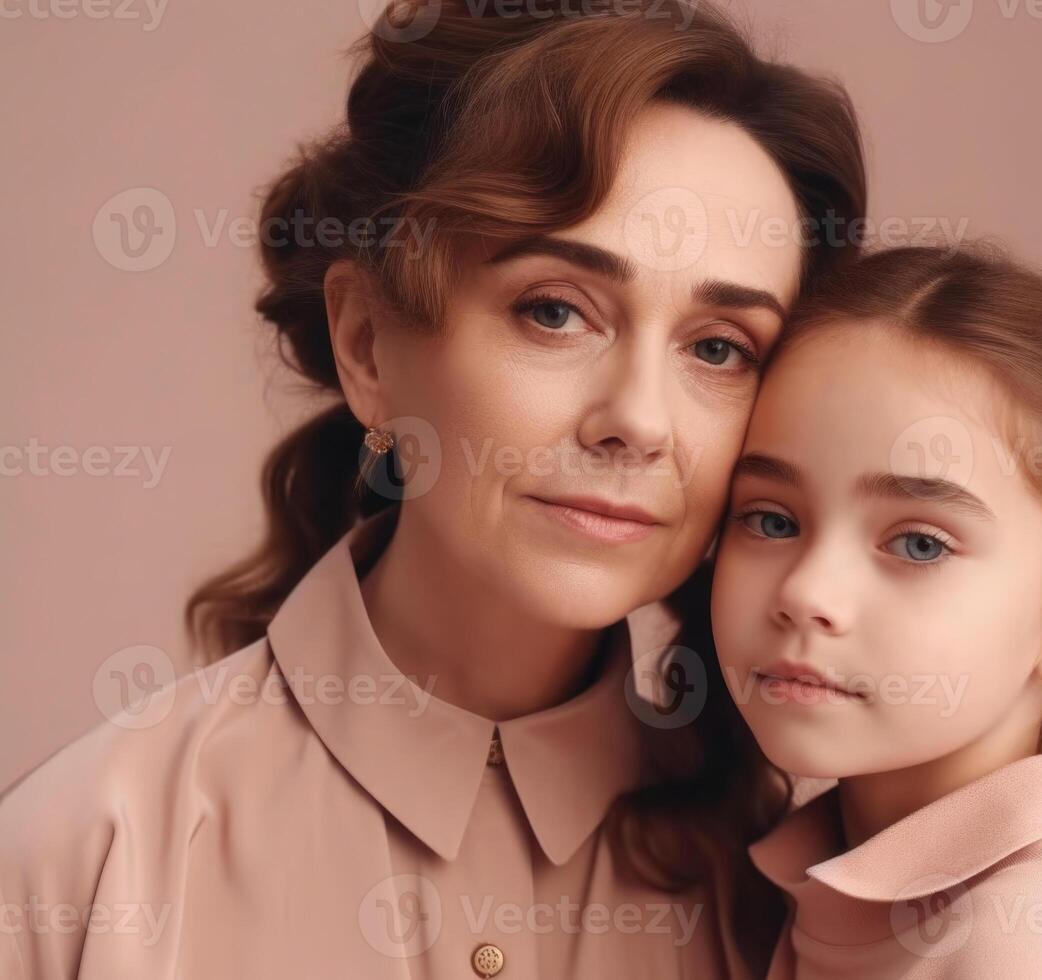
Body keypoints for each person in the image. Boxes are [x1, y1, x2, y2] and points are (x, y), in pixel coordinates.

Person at [0, 3, 866, 977]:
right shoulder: (76, 862)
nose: (642, 419)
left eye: (718, 347)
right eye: (554, 311)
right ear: (367, 343)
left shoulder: (796, 901)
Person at [710, 244, 1042, 977]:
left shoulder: (1033, 955)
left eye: (919, 544)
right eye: (772, 520)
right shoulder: (776, 887)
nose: (807, 592)